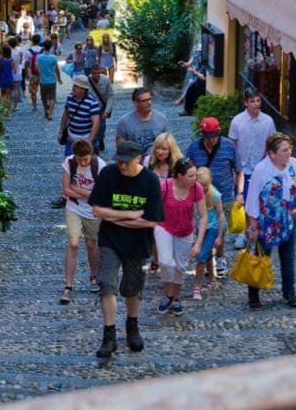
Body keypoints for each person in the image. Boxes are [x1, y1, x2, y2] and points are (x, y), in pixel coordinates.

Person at [88, 140, 164, 358]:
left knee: (133, 288)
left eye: (126, 162)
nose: (121, 165)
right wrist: (130, 215)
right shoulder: (108, 174)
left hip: (138, 243)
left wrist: (115, 217)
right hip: (109, 240)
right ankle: (109, 336)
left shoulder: (150, 180)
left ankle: (133, 326)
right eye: (119, 161)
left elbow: (152, 221)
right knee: (107, 284)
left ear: (138, 159)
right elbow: (96, 210)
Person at [245, 132, 296, 310]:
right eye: (284, 150)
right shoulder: (261, 170)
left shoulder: (294, 164)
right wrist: (253, 224)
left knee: (288, 257)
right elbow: (252, 199)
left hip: (288, 219)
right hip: (266, 221)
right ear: (272, 154)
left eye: (289, 148)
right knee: (261, 257)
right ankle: (254, 294)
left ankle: (289, 293)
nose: (289, 152)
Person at [185, 116, 241, 277]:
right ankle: (208, 258)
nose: (211, 140)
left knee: (220, 231)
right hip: (200, 197)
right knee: (204, 227)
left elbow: (239, 170)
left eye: (214, 136)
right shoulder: (194, 148)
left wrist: (240, 192)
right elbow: (188, 170)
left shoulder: (229, 146)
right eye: (207, 137)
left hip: (225, 196)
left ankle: (220, 257)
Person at [154, 156, 207, 315]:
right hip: (165, 227)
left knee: (180, 267)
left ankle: (175, 298)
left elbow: (203, 216)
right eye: (191, 175)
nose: (194, 178)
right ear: (179, 176)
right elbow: (153, 207)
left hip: (185, 232)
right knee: (166, 263)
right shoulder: (165, 187)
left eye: (195, 175)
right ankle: (168, 294)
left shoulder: (196, 188)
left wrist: (198, 243)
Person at [59, 139, 106, 304]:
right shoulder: (69, 162)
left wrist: (77, 190)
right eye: (80, 160)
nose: (83, 163)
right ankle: (68, 285)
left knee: (92, 244)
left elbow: (101, 194)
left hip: (93, 211)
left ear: (91, 154)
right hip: (74, 208)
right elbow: (65, 190)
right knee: (73, 243)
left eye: (85, 159)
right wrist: (86, 193)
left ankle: (93, 276)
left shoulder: (100, 165)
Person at [229, 91, 276, 248]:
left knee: (260, 200)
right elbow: (233, 144)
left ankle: (258, 230)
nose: (256, 104)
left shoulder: (268, 121)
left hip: (261, 168)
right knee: (243, 201)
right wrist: (234, 169)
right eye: (252, 101)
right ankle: (244, 233)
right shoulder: (237, 121)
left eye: (258, 100)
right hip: (243, 169)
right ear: (246, 103)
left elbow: (272, 143)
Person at [144, 132, 183, 275]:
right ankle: (156, 259)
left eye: (164, 149)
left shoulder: (178, 164)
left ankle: (169, 263)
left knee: (171, 235)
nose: (160, 152)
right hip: (153, 204)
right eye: (158, 148)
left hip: (171, 205)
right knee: (154, 234)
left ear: (171, 150)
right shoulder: (148, 161)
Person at [192, 166, 224, 300]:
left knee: (201, 256)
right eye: (200, 185)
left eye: (205, 185)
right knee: (208, 256)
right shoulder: (194, 192)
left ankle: (197, 286)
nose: (203, 188)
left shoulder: (215, 195)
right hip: (202, 228)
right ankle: (212, 280)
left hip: (213, 228)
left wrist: (220, 236)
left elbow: (220, 215)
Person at [115, 87, 170, 158]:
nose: (149, 103)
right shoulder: (124, 122)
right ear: (136, 103)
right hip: (134, 162)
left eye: (150, 99)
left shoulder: (161, 118)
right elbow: (120, 149)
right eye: (144, 100)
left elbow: (168, 142)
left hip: (156, 161)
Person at [58, 74, 100, 157]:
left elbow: (96, 123)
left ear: (84, 89)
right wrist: (61, 132)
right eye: (74, 85)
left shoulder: (92, 103)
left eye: (77, 86)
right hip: (71, 138)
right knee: (69, 161)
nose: (73, 88)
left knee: (85, 162)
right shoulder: (70, 97)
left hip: (85, 139)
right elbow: (65, 115)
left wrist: (89, 141)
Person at [87, 65, 114, 154]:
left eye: (98, 73)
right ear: (91, 73)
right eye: (94, 73)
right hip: (90, 108)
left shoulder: (106, 80)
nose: (96, 75)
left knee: (102, 126)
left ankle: (101, 138)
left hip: (102, 107)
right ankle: (95, 145)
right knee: (92, 126)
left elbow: (110, 95)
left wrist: (107, 110)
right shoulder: (87, 81)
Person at [176, 47, 206, 116]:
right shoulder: (196, 56)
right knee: (190, 87)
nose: (199, 52)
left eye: (201, 51)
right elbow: (187, 65)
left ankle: (181, 100)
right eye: (199, 51)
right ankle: (186, 109)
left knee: (191, 84)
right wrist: (183, 63)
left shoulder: (206, 60)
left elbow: (204, 78)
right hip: (196, 78)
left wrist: (194, 71)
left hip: (200, 80)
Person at [37, 38, 61, 120]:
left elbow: (38, 69)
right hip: (52, 80)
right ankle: (50, 113)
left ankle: (46, 111)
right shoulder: (53, 57)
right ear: (50, 47)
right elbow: (57, 69)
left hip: (43, 80)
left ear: (43, 47)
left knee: (44, 97)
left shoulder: (39, 57)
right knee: (52, 97)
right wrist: (59, 79)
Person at [25, 34, 43, 111]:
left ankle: (34, 106)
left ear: (32, 41)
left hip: (32, 73)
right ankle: (46, 103)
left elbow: (26, 64)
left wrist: (27, 74)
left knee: (33, 91)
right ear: (40, 41)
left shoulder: (28, 51)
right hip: (42, 73)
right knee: (44, 89)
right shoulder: (43, 50)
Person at [7, 35, 24, 111]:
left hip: (9, 73)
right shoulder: (19, 51)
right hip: (17, 72)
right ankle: (16, 106)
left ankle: (8, 105)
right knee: (16, 89)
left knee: (9, 90)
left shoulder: (8, 53)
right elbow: (20, 62)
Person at [0, 44, 14, 113]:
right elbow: (12, 69)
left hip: (2, 78)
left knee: (2, 94)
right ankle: (7, 109)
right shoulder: (11, 60)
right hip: (9, 78)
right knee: (8, 95)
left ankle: (2, 107)